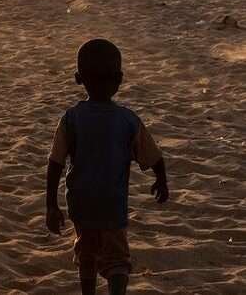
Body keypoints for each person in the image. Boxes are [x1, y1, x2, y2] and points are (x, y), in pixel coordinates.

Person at [46, 39, 168, 295]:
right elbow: (154, 157)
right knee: (117, 261)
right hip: (112, 205)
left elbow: (55, 163)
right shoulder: (127, 120)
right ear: (120, 79)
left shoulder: (71, 118)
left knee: (87, 253)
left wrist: (51, 205)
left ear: (79, 78)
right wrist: (161, 180)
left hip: (81, 203)